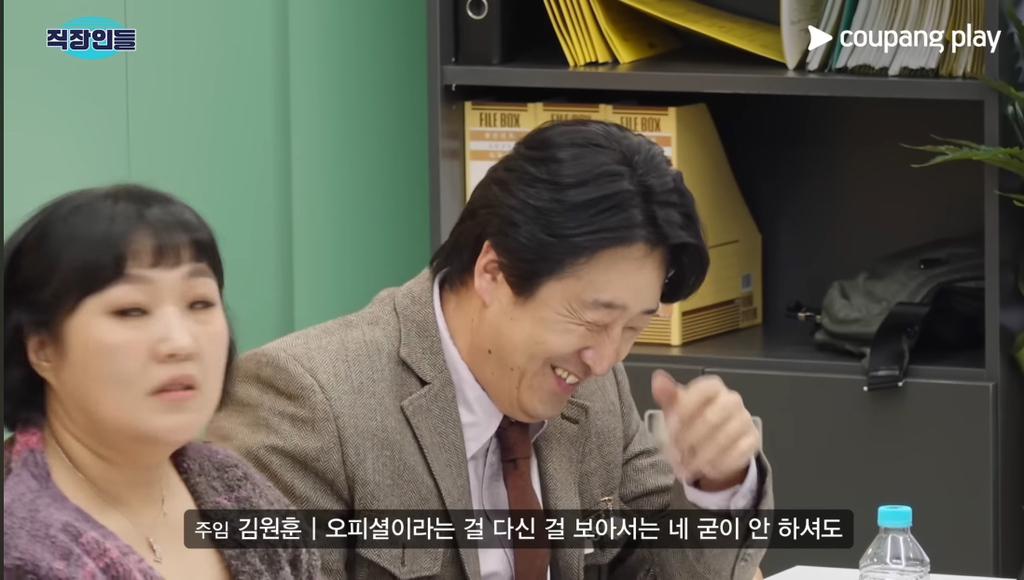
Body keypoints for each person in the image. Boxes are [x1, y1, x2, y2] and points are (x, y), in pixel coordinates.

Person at [207, 119, 773, 579]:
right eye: (593, 319)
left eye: (633, 328)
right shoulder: (306, 403)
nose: (604, 361)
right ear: (494, 273)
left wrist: (717, 487)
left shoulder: (596, 389)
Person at [3, 184, 320, 579]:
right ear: (42, 349)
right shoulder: (19, 551)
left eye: (200, 303)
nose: (180, 343)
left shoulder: (233, 486)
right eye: (132, 310)